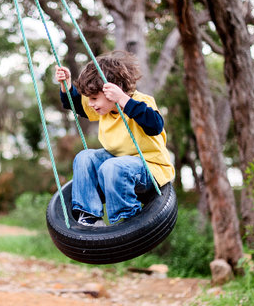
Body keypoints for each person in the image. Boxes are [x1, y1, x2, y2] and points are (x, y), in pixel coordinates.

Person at [54, 51, 175, 227]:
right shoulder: (103, 109)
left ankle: (126, 219)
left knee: (113, 167)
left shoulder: (140, 102)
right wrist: (66, 85)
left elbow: (155, 125)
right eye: (89, 98)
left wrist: (123, 100)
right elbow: (74, 105)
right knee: (84, 157)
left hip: (149, 169)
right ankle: (90, 215)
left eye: (94, 98)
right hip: (115, 166)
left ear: (113, 91)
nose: (91, 103)